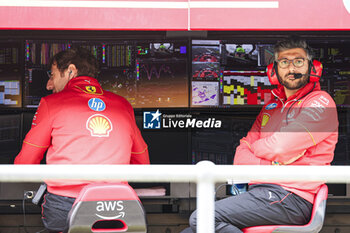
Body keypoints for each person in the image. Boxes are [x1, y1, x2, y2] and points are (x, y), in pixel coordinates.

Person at [182, 37, 339, 233]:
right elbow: (240, 157)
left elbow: (280, 147)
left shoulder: (321, 102)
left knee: (203, 218)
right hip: (262, 194)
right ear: (274, 70)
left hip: (292, 197)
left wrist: (260, 150)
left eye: (298, 61)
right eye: (284, 62)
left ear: (312, 67)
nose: (292, 69)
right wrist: (275, 161)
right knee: (191, 231)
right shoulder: (270, 107)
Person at [15, 47, 150, 233]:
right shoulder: (123, 105)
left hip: (66, 205)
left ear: (71, 70)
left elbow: (24, 164)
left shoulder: (51, 103)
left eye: (52, 75)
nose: (49, 84)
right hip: (119, 205)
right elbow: (143, 164)